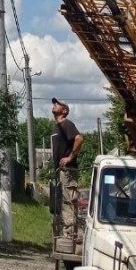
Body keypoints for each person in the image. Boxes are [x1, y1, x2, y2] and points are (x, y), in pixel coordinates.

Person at [51, 97, 84, 248]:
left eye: (57, 103)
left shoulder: (66, 124)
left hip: (68, 171)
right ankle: (65, 234)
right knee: (61, 202)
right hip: (60, 171)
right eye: (54, 103)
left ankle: (70, 236)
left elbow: (79, 138)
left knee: (69, 201)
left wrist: (70, 157)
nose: (54, 105)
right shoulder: (57, 126)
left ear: (64, 111)